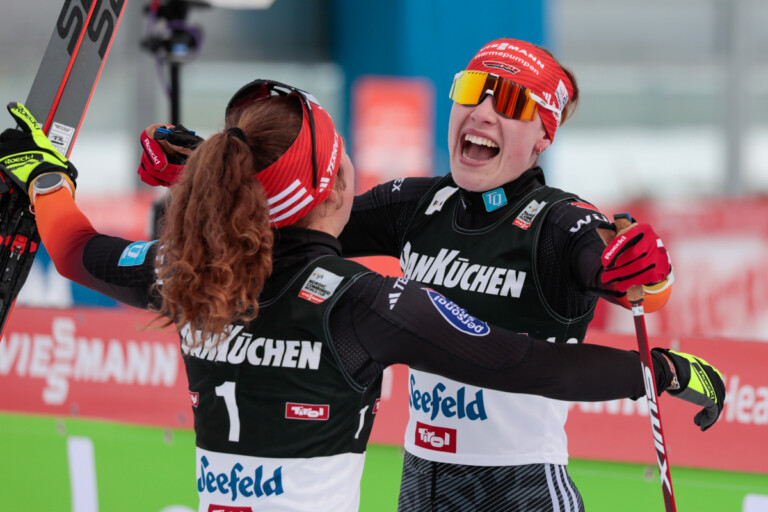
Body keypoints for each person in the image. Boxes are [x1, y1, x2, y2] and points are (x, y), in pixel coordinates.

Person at [0, 81, 723, 512]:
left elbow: (72, 250)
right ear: (334, 190)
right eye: (344, 159)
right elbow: (529, 365)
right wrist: (663, 372)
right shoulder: (366, 304)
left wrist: (42, 177)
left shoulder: (186, 267)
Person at [336, 38, 682, 511]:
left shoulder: (559, 220)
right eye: (473, 89)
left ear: (543, 136)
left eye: (511, 102)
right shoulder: (418, 205)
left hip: (521, 485)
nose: (481, 111)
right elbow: (306, 226)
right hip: (421, 480)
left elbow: (622, 277)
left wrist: (647, 273)